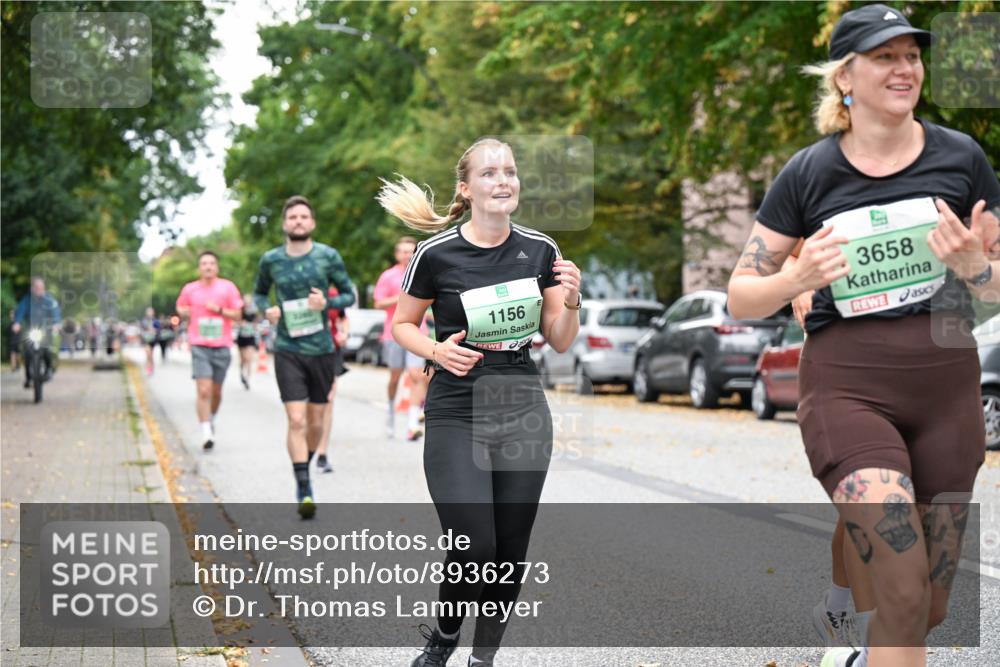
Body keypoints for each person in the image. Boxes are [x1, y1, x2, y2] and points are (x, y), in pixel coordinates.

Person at [726, 6, 1000, 667]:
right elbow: (741, 294)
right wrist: (796, 276)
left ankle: (859, 650)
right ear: (845, 78)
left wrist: (976, 268)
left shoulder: (961, 158)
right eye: (885, 57)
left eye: (912, 55)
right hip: (848, 391)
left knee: (927, 606)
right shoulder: (809, 173)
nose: (904, 69)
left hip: (947, 395)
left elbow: (996, 286)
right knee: (901, 588)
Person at [377, 137, 582, 667]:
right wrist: (436, 351)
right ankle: (444, 639)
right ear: (466, 189)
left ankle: (482, 659)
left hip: (521, 402)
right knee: (474, 544)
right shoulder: (436, 253)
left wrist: (573, 300)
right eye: (489, 173)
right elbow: (402, 324)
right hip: (456, 406)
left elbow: (560, 339)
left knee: (509, 552)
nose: (503, 180)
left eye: (509, 171)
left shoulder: (541, 249)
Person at [253, 195, 355, 519]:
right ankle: (304, 486)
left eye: (303, 217)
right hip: (287, 349)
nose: (298, 221)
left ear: (312, 223)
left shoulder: (328, 256)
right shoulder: (271, 260)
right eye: (292, 217)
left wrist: (327, 303)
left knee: (315, 423)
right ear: (285, 224)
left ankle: (304, 465)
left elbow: (349, 294)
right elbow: (258, 294)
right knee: (296, 420)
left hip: (322, 349)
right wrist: (266, 309)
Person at [175, 251, 243, 451]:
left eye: (211, 263)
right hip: (199, 345)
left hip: (222, 346)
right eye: (204, 263)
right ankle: (206, 433)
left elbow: (238, 315)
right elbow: (180, 308)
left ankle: (211, 418)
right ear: (199, 268)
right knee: (203, 390)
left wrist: (219, 310)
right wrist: (183, 312)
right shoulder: (190, 289)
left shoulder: (228, 288)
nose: (208, 266)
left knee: (216, 392)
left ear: (217, 267)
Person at [373, 236, 432, 440]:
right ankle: (390, 413)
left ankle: (412, 424)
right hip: (393, 334)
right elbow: (378, 303)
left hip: (418, 332)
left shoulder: (423, 273)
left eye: (411, 251)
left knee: (417, 375)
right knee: (395, 378)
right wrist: (400, 298)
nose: (408, 255)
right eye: (404, 251)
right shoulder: (388, 276)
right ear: (397, 254)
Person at [315, 286, 350, 474]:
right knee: (311, 406)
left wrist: (344, 333)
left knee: (328, 401)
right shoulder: (300, 288)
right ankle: (307, 446)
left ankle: (322, 454)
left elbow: (343, 317)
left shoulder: (334, 293)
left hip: (331, 351)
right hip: (305, 352)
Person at [13, 277, 62, 387]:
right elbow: (20, 311)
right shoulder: (27, 300)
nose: (39, 289)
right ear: (32, 288)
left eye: (41, 287)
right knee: (26, 352)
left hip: (45, 330)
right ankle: (28, 378)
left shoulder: (49, 301)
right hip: (31, 330)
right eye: (36, 287)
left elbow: (55, 312)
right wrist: (17, 323)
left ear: (44, 288)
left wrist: (56, 323)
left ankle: (49, 369)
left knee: (48, 349)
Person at [236, 293, 259, 389]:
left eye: (248, 301)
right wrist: (240, 323)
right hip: (242, 337)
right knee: (243, 359)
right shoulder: (240, 311)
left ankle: (247, 379)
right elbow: (236, 321)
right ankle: (241, 373)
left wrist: (254, 326)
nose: (247, 303)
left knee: (249, 358)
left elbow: (256, 323)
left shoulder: (254, 312)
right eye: (245, 301)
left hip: (250, 337)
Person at [140, 307, 160, 375]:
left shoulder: (155, 321)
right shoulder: (144, 320)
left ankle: (151, 366)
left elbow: (158, 330)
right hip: (146, 339)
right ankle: (148, 366)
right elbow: (141, 329)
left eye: (151, 312)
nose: (150, 313)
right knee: (148, 353)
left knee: (151, 354)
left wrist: (154, 331)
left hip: (153, 340)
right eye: (149, 312)